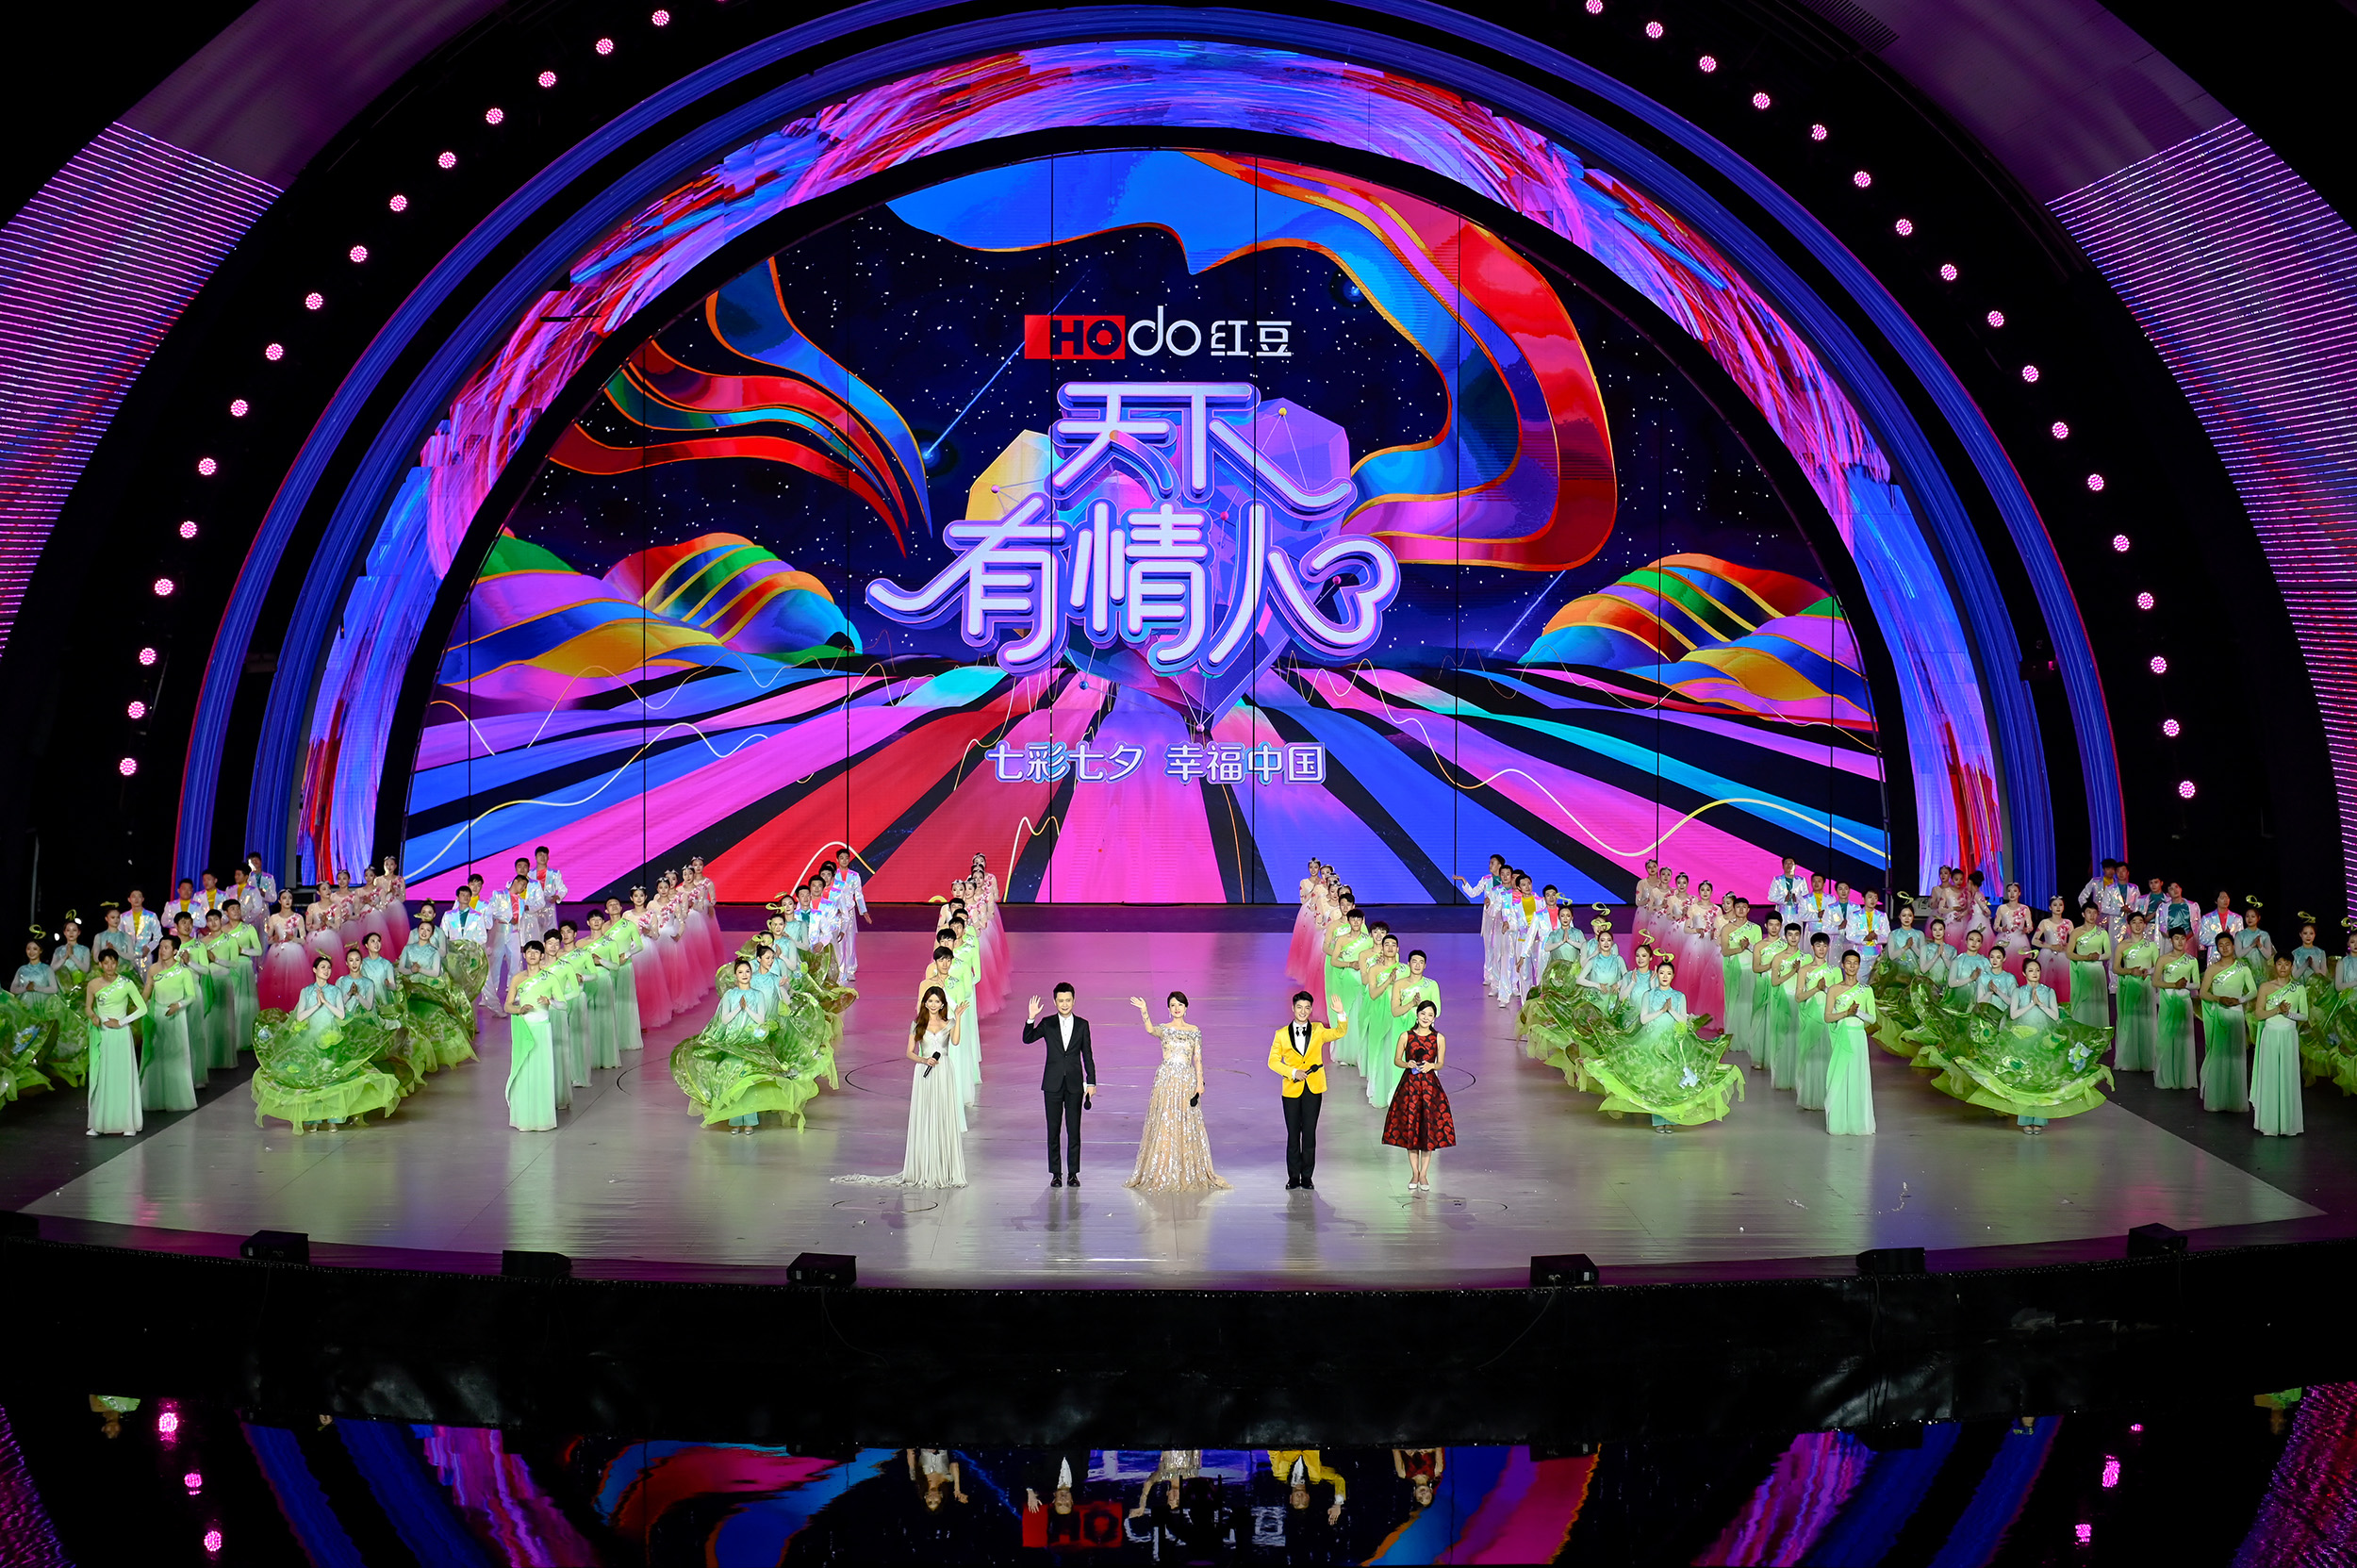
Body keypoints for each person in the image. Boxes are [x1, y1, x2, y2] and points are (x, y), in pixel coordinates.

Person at [838, 986, 971, 1188]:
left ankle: (943, 1168)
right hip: (925, 1072)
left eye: (937, 1001)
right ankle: (924, 1167)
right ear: (925, 1003)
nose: (933, 1005)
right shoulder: (917, 1024)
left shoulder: (949, 1023)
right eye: (930, 1001)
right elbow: (909, 1052)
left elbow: (955, 1041)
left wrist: (958, 1018)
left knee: (942, 1115)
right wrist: (924, 1060)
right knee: (926, 1115)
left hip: (944, 1071)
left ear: (942, 1004)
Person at [1125, 992, 1228, 1192]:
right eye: (1173, 1005)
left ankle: (1185, 1169)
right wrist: (1144, 1011)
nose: (1177, 1008)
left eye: (1180, 1004)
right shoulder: (1164, 1029)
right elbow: (1150, 1030)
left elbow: (1198, 1058)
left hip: (1186, 1080)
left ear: (1186, 1007)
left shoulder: (1194, 1031)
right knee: (1165, 1120)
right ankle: (1162, 1168)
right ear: (1169, 1008)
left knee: (1186, 1122)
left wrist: (1200, 1083)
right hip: (1166, 1080)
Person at [1024, 983, 1097, 1186]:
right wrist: (1031, 1018)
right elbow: (1028, 1039)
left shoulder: (1082, 1025)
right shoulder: (1048, 1023)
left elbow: (1088, 1055)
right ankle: (1056, 1174)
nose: (1065, 1004)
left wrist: (1091, 1081)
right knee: (1053, 1130)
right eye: (1061, 1001)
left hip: (1074, 1085)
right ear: (1055, 1002)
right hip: (1052, 1084)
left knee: (1074, 1131)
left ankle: (1073, 1174)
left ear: (1074, 1001)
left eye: (1068, 1000)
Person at [1270, 991, 1343, 1190]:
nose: (1303, 1011)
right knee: (1293, 1134)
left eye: (1307, 1008)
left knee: (1309, 1133)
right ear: (1293, 1008)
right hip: (1291, 1090)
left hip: (1313, 1087)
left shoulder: (1318, 1029)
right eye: (1299, 1007)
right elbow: (1273, 1061)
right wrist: (1293, 1072)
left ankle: (1307, 1177)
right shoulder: (1281, 1034)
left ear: (1311, 1010)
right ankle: (1293, 1177)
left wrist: (1340, 1014)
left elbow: (1339, 1033)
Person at [1382, 999, 1455, 1190]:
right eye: (1423, 1014)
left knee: (1427, 1130)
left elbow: (1440, 1063)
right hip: (1410, 1088)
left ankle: (1424, 1175)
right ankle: (1415, 1173)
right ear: (1417, 1015)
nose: (1426, 1018)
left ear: (1434, 1018)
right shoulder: (1406, 1036)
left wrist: (1432, 1066)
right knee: (1411, 1129)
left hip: (1430, 1089)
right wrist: (1407, 1064)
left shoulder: (1439, 1038)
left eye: (1430, 1015)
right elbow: (1397, 1059)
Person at [84, 950, 147, 1136]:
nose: (110, 966)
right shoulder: (93, 984)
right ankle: (99, 1123)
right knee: (103, 1075)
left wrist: (121, 1022)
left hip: (121, 1035)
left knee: (122, 1075)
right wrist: (93, 1016)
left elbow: (143, 1008)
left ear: (117, 963)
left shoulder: (126, 983)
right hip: (103, 1034)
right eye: (106, 963)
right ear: (100, 965)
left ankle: (127, 1124)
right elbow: (88, 1007)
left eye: (113, 962)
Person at [140, 935, 200, 1113]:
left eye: (166, 947)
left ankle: (178, 1099)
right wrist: (138, 1006)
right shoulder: (153, 969)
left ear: (175, 951)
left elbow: (191, 996)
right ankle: (155, 1098)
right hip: (157, 1015)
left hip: (175, 1016)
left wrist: (178, 1005)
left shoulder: (184, 971)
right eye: (161, 947)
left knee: (175, 1056)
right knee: (156, 1056)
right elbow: (147, 990)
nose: (162, 950)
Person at [503, 941, 559, 1132]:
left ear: (542, 955)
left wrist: (550, 1002)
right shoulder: (517, 979)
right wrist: (519, 1010)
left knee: (542, 1071)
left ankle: (542, 1118)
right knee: (523, 1071)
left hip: (542, 1029)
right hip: (524, 1030)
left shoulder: (550, 978)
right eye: (529, 952)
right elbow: (507, 1005)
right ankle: (524, 1119)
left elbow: (563, 1004)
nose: (533, 955)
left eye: (536, 952)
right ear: (524, 955)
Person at [1821, 949, 1877, 1136]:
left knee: (1857, 1077)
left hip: (1858, 1038)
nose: (1852, 966)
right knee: (1839, 1076)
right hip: (1841, 1037)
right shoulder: (1834, 990)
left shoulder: (1866, 990)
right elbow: (1828, 1017)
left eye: (1855, 963)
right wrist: (1846, 1013)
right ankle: (1838, 1122)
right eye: (1848, 962)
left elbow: (1873, 1018)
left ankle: (1856, 1122)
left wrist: (1857, 1013)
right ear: (1843, 965)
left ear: (1859, 966)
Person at [2250, 955, 2306, 1137]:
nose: (2283, 967)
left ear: (2292, 966)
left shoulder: (2298, 988)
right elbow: (2259, 1014)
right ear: (2275, 966)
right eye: (2279, 963)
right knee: (2271, 1076)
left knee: (2288, 1076)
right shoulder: (2265, 987)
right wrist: (2277, 1010)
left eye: (2286, 964)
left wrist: (2288, 1014)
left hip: (2289, 1035)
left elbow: (2304, 1015)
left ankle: (2287, 1123)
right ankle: (2270, 1123)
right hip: (2270, 1034)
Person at [2199, 933, 2254, 1114]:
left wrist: (2239, 1000)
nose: (2224, 947)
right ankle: (2216, 1099)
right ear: (2217, 948)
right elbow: (2203, 993)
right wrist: (2219, 998)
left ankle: (2234, 1100)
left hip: (2236, 1014)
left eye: (2227, 944)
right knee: (2219, 1053)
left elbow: (2253, 991)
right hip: (2219, 1013)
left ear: (2233, 946)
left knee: (2235, 1054)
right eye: (2221, 945)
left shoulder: (2243, 968)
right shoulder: (2212, 969)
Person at [2154, 930, 2202, 1091]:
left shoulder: (2191, 960)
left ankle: (2183, 1077)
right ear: (2171, 940)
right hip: (2167, 999)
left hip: (2183, 1000)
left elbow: (2197, 984)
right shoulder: (2163, 959)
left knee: (2183, 1037)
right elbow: (2156, 982)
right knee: (2166, 1036)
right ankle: (2166, 1076)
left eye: (2183, 939)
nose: (2180, 942)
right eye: (2176, 938)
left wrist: (2185, 985)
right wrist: (2173, 985)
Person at [2113, 911, 2159, 1072]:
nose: (2138, 925)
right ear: (2129, 925)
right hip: (2129, 985)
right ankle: (2128, 1059)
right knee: (2129, 1020)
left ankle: (2148, 1059)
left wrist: (2149, 971)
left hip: (2146, 985)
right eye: (2134, 922)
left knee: (2146, 1020)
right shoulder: (2122, 945)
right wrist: (2130, 971)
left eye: (2140, 922)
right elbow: (2116, 968)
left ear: (2145, 925)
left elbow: (2158, 967)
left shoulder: (2151, 946)